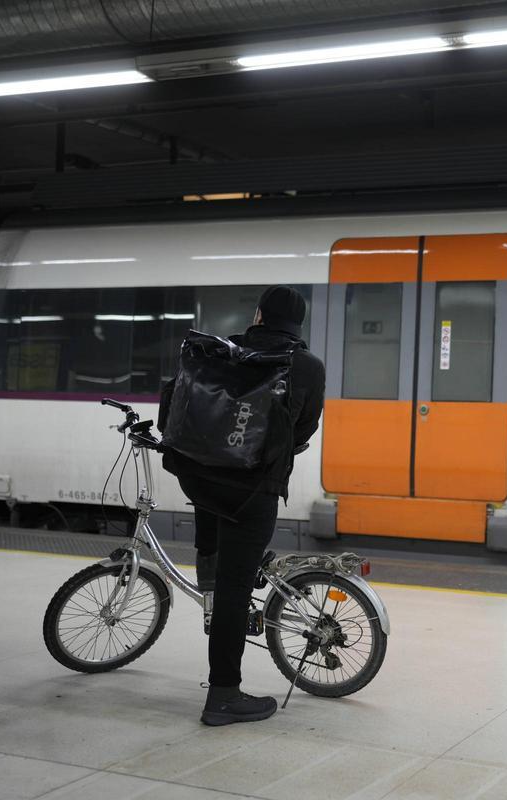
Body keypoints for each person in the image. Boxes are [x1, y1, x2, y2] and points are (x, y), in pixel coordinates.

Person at [159, 285, 325, 726]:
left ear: (258, 315)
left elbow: (174, 404)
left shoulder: (220, 351)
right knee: (238, 589)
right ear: (298, 324)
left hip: (201, 479)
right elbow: (304, 430)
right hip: (254, 491)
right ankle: (224, 697)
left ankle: (210, 582)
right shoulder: (307, 367)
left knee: (220, 571)